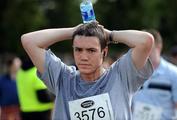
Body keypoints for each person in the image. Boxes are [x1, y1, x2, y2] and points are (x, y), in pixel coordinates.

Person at [21, 22, 154, 120]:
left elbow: (145, 41)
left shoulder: (120, 76)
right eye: (78, 49)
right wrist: (74, 31)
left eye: (91, 50)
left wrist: (110, 34)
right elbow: (28, 41)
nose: (83, 57)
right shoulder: (62, 78)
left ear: (104, 52)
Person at [132, 29, 177, 120]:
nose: (144, 51)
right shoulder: (132, 72)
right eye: (141, 48)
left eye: (148, 47)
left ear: (159, 47)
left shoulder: (174, 74)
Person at [16, 56, 54, 120]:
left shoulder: (20, 73)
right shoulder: (36, 73)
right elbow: (43, 97)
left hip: (25, 111)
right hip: (41, 113)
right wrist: (55, 97)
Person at [0, 54, 22, 120]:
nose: (20, 65)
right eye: (17, 63)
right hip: (5, 110)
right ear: (10, 65)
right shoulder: (2, 80)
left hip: (21, 110)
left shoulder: (23, 79)